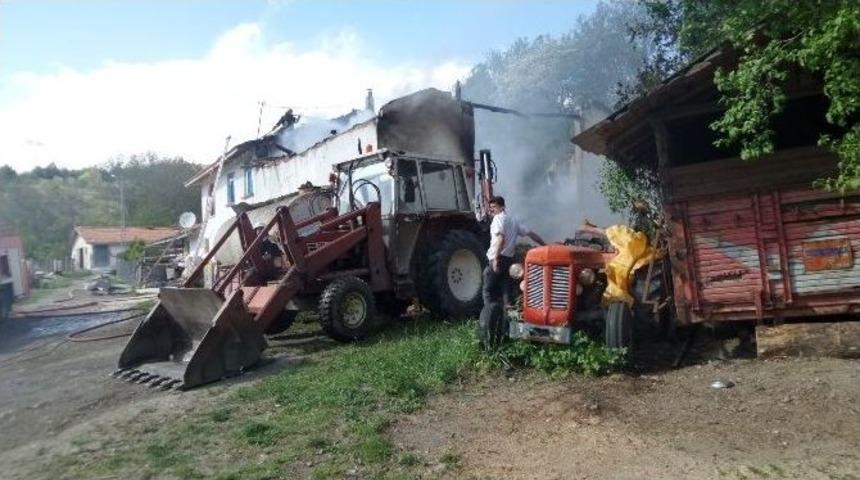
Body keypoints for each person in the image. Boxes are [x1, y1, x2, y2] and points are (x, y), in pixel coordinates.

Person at [482, 195, 546, 307]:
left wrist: (496, 259)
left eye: (494, 207)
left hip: (497, 259)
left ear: (502, 207)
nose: (491, 210)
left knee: (487, 290)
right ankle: (509, 312)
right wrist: (545, 245)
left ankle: (489, 314)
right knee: (506, 290)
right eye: (490, 207)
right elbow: (531, 234)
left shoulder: (498, 219)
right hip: (509, 260)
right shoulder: (514, 221)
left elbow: (501, 239)